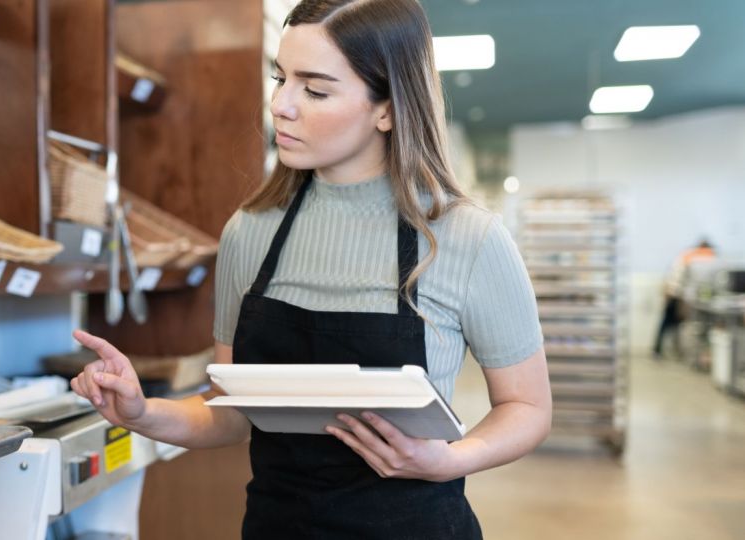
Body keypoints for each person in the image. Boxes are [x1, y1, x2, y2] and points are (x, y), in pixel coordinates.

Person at [70, 0, 551, 537]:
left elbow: (527, 407)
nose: (281, 105)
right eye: (281, 79)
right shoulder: (251, 232)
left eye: (315, 90)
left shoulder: (466, 238)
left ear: (387, 108)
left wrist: (451, 459)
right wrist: (141, 412)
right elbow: (230, 413)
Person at [654, 239, 716, 358]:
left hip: (676, 294)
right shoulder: (692, 258)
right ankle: (658, 350)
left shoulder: (689, 256)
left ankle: (671, 350)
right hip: (675, 295)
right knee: (667, 322)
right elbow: (680, 280)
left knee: (674, 324)